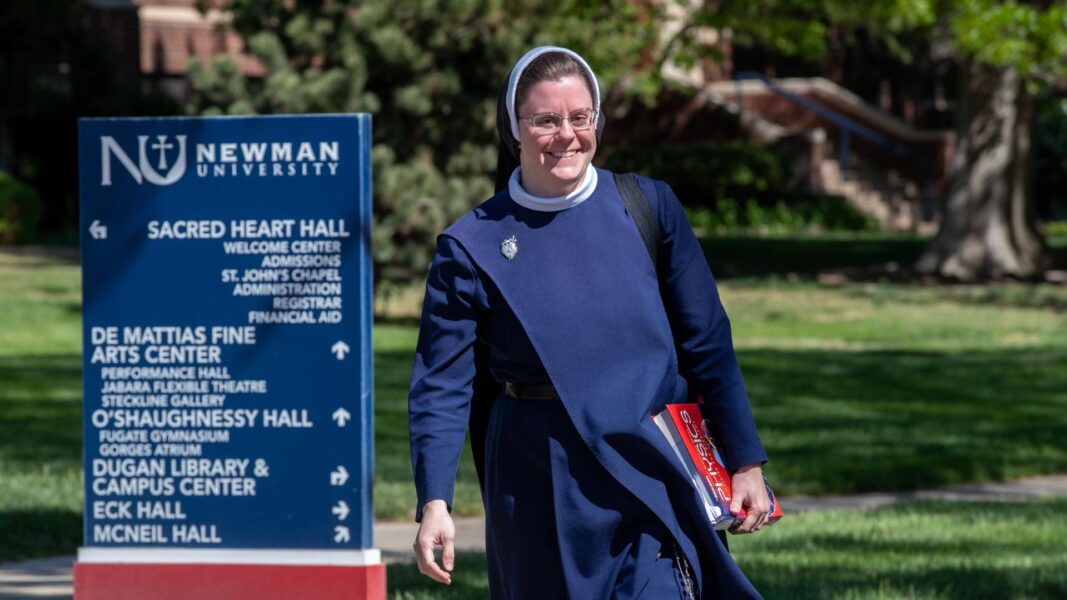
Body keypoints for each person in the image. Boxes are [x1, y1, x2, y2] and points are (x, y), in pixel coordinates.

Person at [408, 45, 771, 599]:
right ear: (514, 129)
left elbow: (707, 342)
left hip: (650, 461)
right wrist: (435, 501)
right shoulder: (472, 244)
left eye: (580, 117)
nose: (567, 135)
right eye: (545, 120)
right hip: (537, 474)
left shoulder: (649, 206)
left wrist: (745, 461)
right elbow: (443, 382)